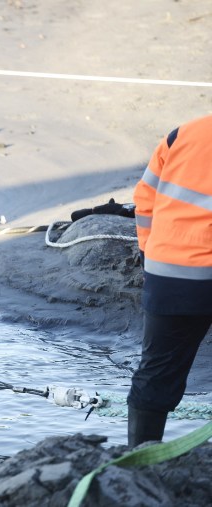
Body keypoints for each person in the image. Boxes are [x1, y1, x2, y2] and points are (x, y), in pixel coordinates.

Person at [127, 114, 212, 447]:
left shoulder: (184, 133)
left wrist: (150, 252)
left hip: (170, 274)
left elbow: (145, 198)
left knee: (156, 371)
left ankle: (139, 460)